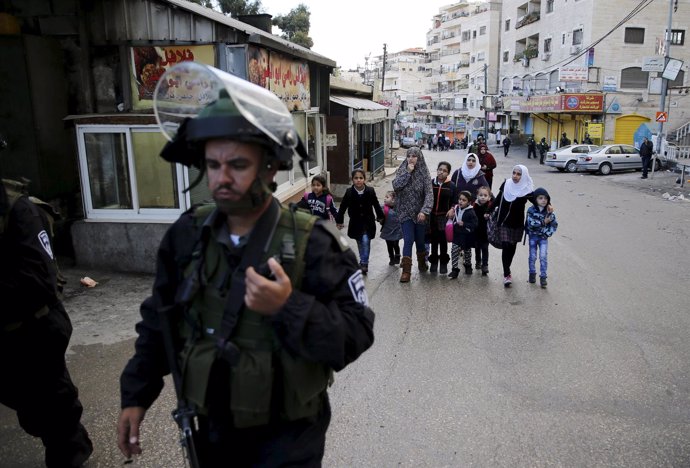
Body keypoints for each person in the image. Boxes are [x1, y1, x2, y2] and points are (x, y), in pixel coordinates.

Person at [117, 64, 375, 467]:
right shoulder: (188, 235)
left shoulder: (315, 242)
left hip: (289, 439)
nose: (221, 178)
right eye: (213, 165)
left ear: (270, 167)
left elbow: (357, 332)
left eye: (237, 165)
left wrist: (288, 307)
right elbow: (160, 321)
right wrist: (135, 395)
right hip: (214, 433)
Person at [0, 177, 93, 466]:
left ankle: (72, 455)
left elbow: (39, 280)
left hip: (34, 329)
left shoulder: (19, 209)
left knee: (54, 409)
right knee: (32, 408)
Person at [392, 146, 433, 283]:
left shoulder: (424, 173)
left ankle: (422, 262)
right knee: (408, 240)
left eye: (414, 156)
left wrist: (424, 211)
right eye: (409, 156)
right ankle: (406, 271)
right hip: (405, 212)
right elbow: (396, 186)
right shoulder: (402, 170)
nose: (411, 158)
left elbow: (429, 194)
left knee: (420, 242)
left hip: (420, 213)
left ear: (419, 157)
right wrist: (408, 172)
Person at [336, 169, 385, 275]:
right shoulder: (349, 192)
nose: (358, 180)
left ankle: (364, 263)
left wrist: (381, 217)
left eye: (361, 178)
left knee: (366, 241)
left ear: (364, 179)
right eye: (356, 178)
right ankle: (362, 260)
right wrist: (339, 221)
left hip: (368, 222)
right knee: (360, 242)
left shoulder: (370, 191)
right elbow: (343, 207)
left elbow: (376, 205)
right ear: (352, 179)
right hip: (355, 223)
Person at [493, 164, 535, 287]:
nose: (515, 176)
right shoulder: (506, 184)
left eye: (519, 174)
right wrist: (488, 211)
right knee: (506, 245)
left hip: (517, 223)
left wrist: (547, 204)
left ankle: (508, 267)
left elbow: (537, 201)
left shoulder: (526, 189)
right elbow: (498, 199)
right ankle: (506, 273)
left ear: (524, 175)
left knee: (512, 247)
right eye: (514, 173)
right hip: (504, 222)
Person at [526, 187, 558, 288]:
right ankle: (532, 273)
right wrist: (544, 222)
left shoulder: (548, 211)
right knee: (533, 256)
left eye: (545, 198)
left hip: (543, 238)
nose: (543, 200)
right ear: (535, 199)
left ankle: (543, 277)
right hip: (533, 237)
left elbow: (554, 224)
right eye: (540, 198)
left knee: (543, 257)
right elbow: (531, 223)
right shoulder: (531, 210)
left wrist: (546, 233)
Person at [429, 161, 457, 275]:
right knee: (433, 240)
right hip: (431, 216)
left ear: (448, 173)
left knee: (443, 240)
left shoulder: (451, 186)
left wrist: (452, 209)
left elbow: (455, 201)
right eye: (440, 169)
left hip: (444, 217)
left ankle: (444, 263)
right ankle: (434, 262)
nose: (441, 172)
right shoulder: (431, 183)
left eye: (444, 171)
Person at [448, 191, 478, 279]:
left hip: (467, 236)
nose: (460, 201)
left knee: (467, 251)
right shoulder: (456, 208)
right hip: (457, 234)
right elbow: (454, 218)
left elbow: (475, 224)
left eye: (464, 200)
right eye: (460, 199)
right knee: (454, 250)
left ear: (469, 202)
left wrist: (464, 224)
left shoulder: (471, 212)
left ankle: (468, 265)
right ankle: (454, 269)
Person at [473, 185, 494, 276]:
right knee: (477, 247)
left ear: (489, 197)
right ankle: (478, 261)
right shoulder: (475, 205)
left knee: (485, 248)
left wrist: (489, 215)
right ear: (477, 196)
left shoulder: (490, 206)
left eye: (485, 195)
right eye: (481, 195)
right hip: (476, 231)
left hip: (486, 232)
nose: (483, 197)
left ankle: (485, 265)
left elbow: (494, 217)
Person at [380, 191, 402, 266]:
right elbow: (378, 212)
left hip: (396, 231)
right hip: (387, 230)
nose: (385, 199)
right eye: (385, 197)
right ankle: (391, 258)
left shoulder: (399, 208)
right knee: (389, 245)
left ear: (393, 200)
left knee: (396, 244)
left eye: (387, 197)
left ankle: (398, 256)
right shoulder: (384, 208)